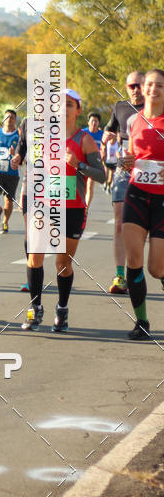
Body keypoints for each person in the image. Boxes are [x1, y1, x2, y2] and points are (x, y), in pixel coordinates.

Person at [21, 89, 105, 332]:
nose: (62, 108)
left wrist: (77, 164)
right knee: (34, 258)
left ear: (77, 110)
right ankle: (35, 309)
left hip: (72, 208)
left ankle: (62, 308)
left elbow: (100, 176)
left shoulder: (84, 139)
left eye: (69, 104)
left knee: (62, 264)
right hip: (44, 206)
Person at [122, 69, 164, 340]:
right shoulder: (133, 121)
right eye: (149, 84)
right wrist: (126, 162)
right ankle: (142, 322)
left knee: (156, 268)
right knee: (134, 260)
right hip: (136, 194)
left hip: (162, 201)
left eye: (159, 85)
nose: (152, 89)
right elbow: (131, 156)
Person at [102, 72, 145, 294]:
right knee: (120, 222)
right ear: (127, 87)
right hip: (124, 169)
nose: (136, 89)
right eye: (132, 85)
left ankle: (138, 269)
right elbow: (110, 128)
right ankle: (120, 275)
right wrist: (106, 137)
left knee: (145, 225)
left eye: (140, 84)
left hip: (151, 171)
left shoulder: (156, 107)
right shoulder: (120, 107)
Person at [0, 109, 20, 234]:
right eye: (7, 117)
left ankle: (5, 223)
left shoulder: (18, 135)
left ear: (15, 120)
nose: (9, 119)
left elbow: (23, 153)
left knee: (9, 200)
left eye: (12, 117)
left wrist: (15, 154)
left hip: (12, 173)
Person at [10, 117, 29, 291]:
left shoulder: (60, 121)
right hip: (31, 179)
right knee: (30, 230)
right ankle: (32, 274)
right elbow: (22, 147)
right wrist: (17, 157)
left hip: (56, 180)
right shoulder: (27, 122)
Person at [82, 112, 104, 208]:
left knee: (90, 185)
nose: (94, 123)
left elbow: (105, 147)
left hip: (94, 163)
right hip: (82, 162)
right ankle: (80, 205)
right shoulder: (83, 133)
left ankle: (86, 207)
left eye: (96, 121)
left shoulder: (102, 134)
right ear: (88, 122)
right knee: (81, 186)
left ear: (99, 123)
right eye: (92, 121)